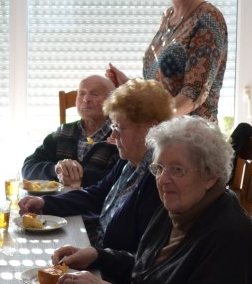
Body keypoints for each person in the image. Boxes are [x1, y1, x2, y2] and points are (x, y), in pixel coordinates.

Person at [51, 115, 252, 284]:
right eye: (159, 168)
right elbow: (149, 267)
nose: (163, 179)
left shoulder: (230, 238)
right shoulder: (180, 205)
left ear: (211, 176)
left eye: (177, 169)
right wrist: (96, 255)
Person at [19, 79, 174, 253]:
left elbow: (139, 259)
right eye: (114, 126)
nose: (113, 134)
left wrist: (94, 256)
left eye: (120, 128)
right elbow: (96, 195)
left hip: (112, 270)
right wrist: (43, 203)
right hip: (98, 253)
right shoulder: (129, 162)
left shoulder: (158, 178)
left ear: (150, 129)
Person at [106, 0, 228, 120]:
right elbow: (161, 87)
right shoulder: (168, 17)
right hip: (163, 130)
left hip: (191, 135)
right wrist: (129, 84)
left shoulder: (208, 19)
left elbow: (194, 93)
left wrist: (153, 120)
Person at [21, 75, 120, 189]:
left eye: (94, 94)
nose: (86, 99)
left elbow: (120, 177)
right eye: (81, 93)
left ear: (111, 101)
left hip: (97, 205)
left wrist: (80, 176)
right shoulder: (63, 132)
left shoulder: (119, 136)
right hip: (54, 203)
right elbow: (28, 168)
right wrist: (57, 170)